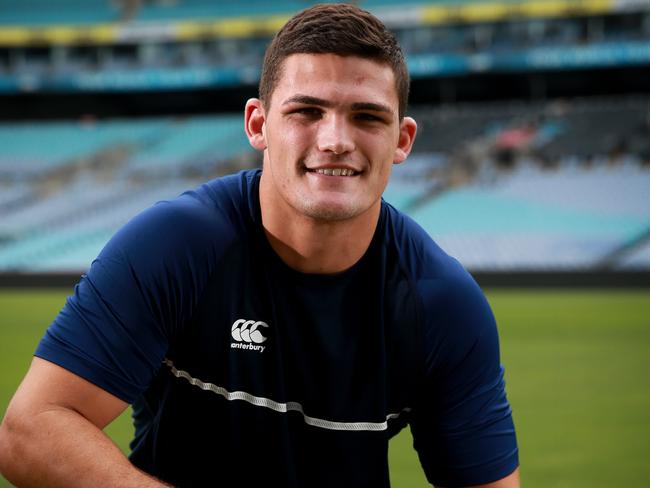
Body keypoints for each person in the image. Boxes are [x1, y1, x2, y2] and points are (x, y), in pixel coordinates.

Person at [0, 4, 519, 487]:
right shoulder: (175, 245)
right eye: (306, 112)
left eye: (367, 116)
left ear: (402, 140)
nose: (335, 139)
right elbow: (29, 430)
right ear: (258, 124)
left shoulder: (443, 304)